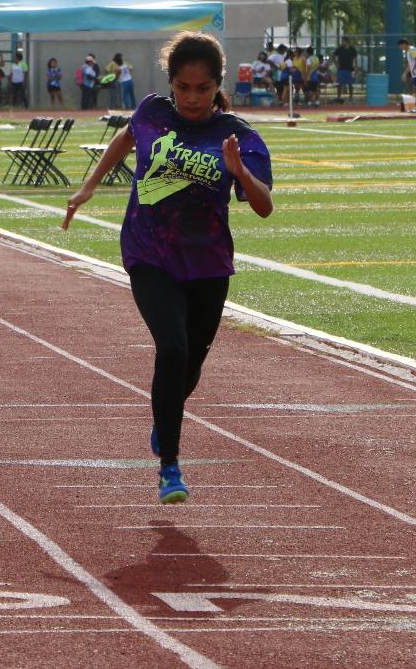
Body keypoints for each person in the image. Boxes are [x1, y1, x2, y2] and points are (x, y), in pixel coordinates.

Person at [62, 31, 273, 505]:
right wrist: (90, 185)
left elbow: (264, 207)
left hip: (208, 263)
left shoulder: (239, 138)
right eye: (183, 87)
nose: (192, 97)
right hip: (149, 252)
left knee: (191, 367)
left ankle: (165, 416)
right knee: (172, 349)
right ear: (171, 84)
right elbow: (126, 136)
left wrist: (241, 173)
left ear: (217, 85)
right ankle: (170, 467)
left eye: (202, 88)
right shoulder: (153, 112)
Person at [398, 39, 416, 113]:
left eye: (400, 45)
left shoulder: (412, 49)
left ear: (404, 44)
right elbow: (410, 64)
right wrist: (405, 73)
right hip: (415, 73)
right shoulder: (407, 52)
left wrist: (413, 70)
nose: (400, 47)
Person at [332, 38, 357, 102]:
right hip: (341, 69)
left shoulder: (352, 49)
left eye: (343, 41)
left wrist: (356, 67)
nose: (342, 42)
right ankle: (338, 97)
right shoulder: (340, 49)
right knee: (340, 83)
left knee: (350, 83)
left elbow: (355, 58)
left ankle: (351, 97)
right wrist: (336, 64)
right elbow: (333, 56)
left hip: (350, 69)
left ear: (346, 41)